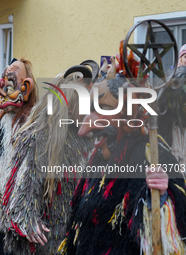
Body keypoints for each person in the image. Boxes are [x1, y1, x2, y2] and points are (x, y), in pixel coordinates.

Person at [59, 53, 186, 255]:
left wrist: (163, 197)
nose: (85, 129)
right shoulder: (97, 160)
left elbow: (171, 235)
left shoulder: (152, 157)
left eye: (102, 108)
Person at [0, 64, 95, 255]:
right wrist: (29, 220)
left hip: (80, 239)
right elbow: (20, 191)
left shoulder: (88, 138)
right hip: (47, 242)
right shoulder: (36, 138)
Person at [0, 58, 38, 255]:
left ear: (27, 86)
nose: (4, 91)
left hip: (19, 210)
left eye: (12, 84)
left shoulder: (35, 122)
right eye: (4, 84)